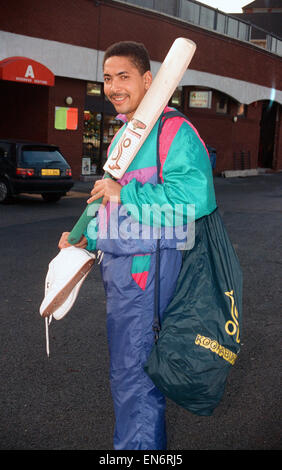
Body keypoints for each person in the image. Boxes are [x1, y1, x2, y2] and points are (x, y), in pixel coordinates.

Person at [59, 41, 217, 450]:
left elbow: (195, 200)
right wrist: (81, 238)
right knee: (126, 373)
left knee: (135, 375)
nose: (113, 86)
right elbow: (106, 203)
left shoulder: (173, 130)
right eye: (108, 78)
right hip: (119, 270)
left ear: (149, 79)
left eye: (123, 76)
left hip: (149, 270)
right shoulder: (123, 137)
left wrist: (124, 195)